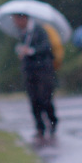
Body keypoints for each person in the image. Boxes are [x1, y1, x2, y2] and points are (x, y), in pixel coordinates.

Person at [12, 13, 59, 145]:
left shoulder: (39, 30)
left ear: (24, 18)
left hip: (43, 70)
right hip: (29, 71)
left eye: (16, 20)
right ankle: (40, 127)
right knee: (33, 99)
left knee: (45, 97)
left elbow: (46, 47)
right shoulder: (22, 33)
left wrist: (31, 51)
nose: (15, 23)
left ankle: (52, 121)